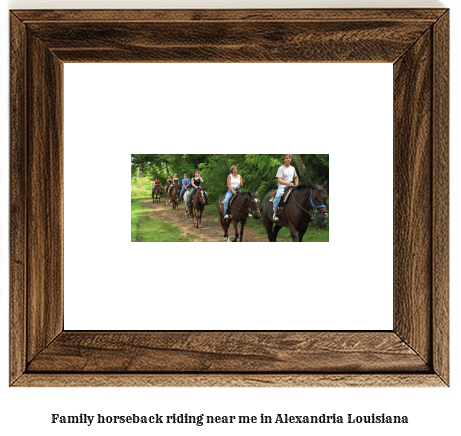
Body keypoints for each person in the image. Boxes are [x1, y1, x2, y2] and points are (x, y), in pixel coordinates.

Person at [272, 154, 299, 221]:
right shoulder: (281, 168)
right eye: (286, 158)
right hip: (282, 186)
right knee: (278, 196)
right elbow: (279, 180)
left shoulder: (293, 168)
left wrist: (296, 185)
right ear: (284, 160)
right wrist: (287, 184)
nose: (288, 159)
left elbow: (296, 177)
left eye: (289, 158)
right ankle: (274, 213)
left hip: (292, 185)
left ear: (291, 159)